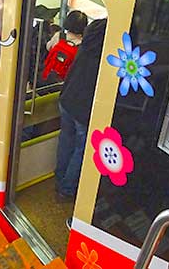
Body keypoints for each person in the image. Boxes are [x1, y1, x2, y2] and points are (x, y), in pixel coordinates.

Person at [55, 18, 107, 201]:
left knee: (65, 141)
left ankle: (59, 180)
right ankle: (67, 189)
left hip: (68, 96)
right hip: (84, 107)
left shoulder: (92, 34)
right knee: (81, 149)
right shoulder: (107, 52)